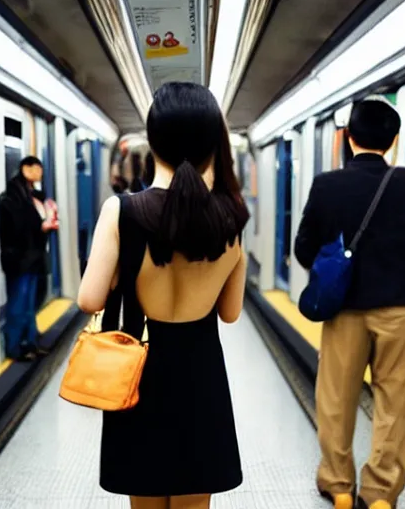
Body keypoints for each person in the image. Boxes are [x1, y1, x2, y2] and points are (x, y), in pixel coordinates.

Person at [77, 82, 249, 509]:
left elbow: (89, 299)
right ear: (213, 145)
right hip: (202, 374)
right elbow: (229, 314)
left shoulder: (122, 211)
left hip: (139, 374)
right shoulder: (231, 218)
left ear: (152, 141)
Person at [294, 99, 405, 509]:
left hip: (344, 311)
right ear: (392, 141)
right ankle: (380, 495)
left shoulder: (327, 185)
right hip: (399, 308)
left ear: (349, 138)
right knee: (396, 403)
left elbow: (305, 249)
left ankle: (339, 487)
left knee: (336, 398)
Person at [0, 156, 59, 361]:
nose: (40, 173)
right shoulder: (12, 199)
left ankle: (30, 342)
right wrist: (41, 227)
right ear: (26, 169)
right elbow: (17, 229)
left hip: (32, 259)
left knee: (29, 304)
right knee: (18, 304)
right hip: (20, 260)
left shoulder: (34, 196)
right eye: (37, 168)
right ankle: (14, 347)